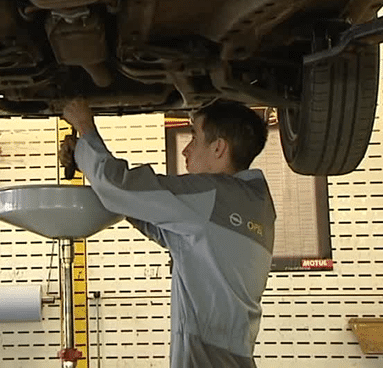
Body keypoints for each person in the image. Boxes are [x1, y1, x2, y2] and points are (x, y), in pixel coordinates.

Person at [59, 99, 275, 368]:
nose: (186, 149)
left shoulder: (213, 196)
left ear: (218, 148)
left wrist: (85, 127)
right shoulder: (255, 202)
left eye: (194, 137)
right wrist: (86, 163)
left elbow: (120, 186)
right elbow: (163, 225)